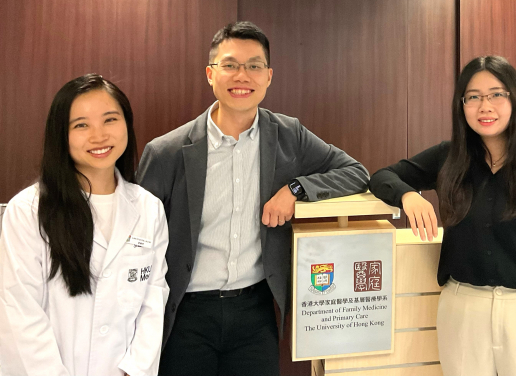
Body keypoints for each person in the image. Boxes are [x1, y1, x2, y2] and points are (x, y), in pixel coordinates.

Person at [137, 21, 369, 376]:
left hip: (256, 311)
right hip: (185, 312)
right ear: (210, 74)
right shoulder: (167, 151)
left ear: (269, 76)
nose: (242, 76)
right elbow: (137, 242)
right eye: (230, 65)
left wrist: (296, 191)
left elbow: (355, 172)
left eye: (254, 66)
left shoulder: (288, 135)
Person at [369, 55, 516, 376]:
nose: (485, 106)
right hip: (462, 308)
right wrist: (408, 195)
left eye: (497, 94)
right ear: (462, 104)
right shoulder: (450, 157)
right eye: (473, 97)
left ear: (515, 98)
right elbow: (381, 177)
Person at [0, 74, 169, 376]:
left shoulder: (149, 209)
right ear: (60, 136)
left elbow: (153, 304)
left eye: (110, 120)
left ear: (126, 124)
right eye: (81, 125)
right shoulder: (27, 211)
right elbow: (20, 315)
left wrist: (134, 370)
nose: (99, 135)